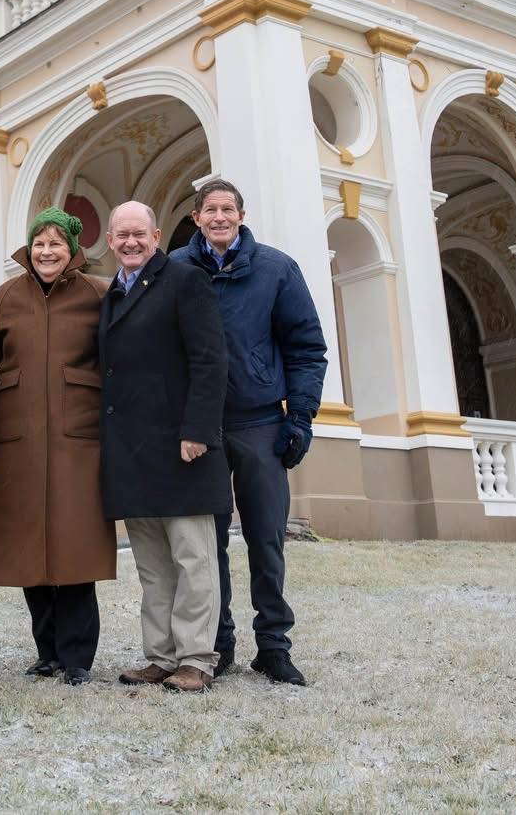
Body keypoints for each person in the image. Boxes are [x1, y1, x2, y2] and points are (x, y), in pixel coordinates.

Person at [180, 179, 328, 687]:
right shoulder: (177, 270)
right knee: (209, 543)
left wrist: (300, 418)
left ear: (240, 215)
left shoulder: (277, 269)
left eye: (228, 209)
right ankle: (218, 646)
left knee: (266, 539)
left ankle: (274, 647)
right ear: (196, 217)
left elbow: (306, 348)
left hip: (261, 423)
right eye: (210, 210)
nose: (219, 217)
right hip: (201, 430)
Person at [0, 207, 115, 686]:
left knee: (75, 545)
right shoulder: (7, 296)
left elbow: (115, 362)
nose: (47, 251)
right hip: (18, 437)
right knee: (28, 545)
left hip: (80, 438)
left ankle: (77, 657)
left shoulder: (98, 294)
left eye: (56, 243)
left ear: (73, 249)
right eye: (40, 243)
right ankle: (47, 651)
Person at [98, 200, 229, 694]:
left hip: (181, 448)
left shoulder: (184, 279)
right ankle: (162, 655)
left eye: (139, 234)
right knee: (153, 566)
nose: (131, 242)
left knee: (193, 561)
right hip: (133, 452)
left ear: (156, 236)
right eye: (121, 235)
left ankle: (196, 658)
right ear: (110, 242)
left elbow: (211, 360)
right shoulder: (113, 293)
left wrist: (198, 430)